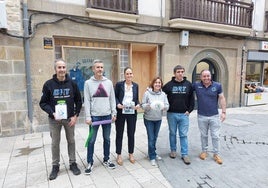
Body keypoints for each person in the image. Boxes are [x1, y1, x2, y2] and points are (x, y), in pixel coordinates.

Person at [39, 59, 82, 180]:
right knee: (55, 143)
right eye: (59, 67)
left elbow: (79, 100)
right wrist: (52, 113)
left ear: (66, 69)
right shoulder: (48, 84)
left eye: (63, 67)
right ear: (55, 69)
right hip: (54, 120)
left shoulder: (72, 84)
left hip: (69, 119)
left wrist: (75, 115)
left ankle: (73, 163)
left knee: (71, 141)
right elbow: (43, 103)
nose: (62, 69)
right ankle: (55, 166)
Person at [83, 59, 117, 175]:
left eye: (101, 67)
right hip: (94, 117)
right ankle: (90, 162)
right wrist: (88, 116)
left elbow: (112, 98)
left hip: (107, 115)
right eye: (97, 67)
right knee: (91, 140)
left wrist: (114, 113)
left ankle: (106, 159)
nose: (100, 69)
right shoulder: (88, 83)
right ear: (93, 69)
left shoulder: (109, 83)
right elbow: (86, 101)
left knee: (107, 139)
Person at [162, 65, 195, 165]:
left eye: (182, 71)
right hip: (171, 114)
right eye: (178, 72)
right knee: (172, 133)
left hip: (184, 115)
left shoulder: (189, 85)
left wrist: (189, 111)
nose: (180, 73)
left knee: (183, 135)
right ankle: (173, 150)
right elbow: (160, 94)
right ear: (174, 73)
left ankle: (184, 154)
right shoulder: (168, 85)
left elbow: (192, 100)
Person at [192, 69, 226, 165]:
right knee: (204, 135)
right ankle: (204, 151)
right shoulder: (196, 85)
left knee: (215, 136)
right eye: (204, 76)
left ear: (210, 76)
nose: (206, 78)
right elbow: (187, 91)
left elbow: (222, 98)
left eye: (208, 76)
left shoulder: (217, 86)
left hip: (214, 116)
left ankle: (216, 154)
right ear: (201, 77)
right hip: (201, 116)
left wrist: (224, 112)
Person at [114, 67, 140, 165]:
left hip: (132, 112)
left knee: (131, 133)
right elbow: (115, 97)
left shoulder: (136, 86)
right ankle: (119, 154)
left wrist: (138, 104)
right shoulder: (119, 85)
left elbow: (137, 99)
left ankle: (131, 153)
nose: (129, 75)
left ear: (132, 75)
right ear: (124, 75)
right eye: (127, 73)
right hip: (121, 112)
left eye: (130, 73)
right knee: (119, 133)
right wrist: (117, 104)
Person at [141, 77, 169, 166]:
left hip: (158, 119)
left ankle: (152, 153)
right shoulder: (147, 93)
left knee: (155, 137)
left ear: (161, 84)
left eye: (159, 82)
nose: (157, 84)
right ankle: (152, 157)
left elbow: (167, 105)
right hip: (149, 119)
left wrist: (164, 107)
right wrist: (148, 106)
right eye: (156, 82)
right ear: (153, 84)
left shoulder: (163, 95)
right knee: (151, 138)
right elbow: (142, 105)